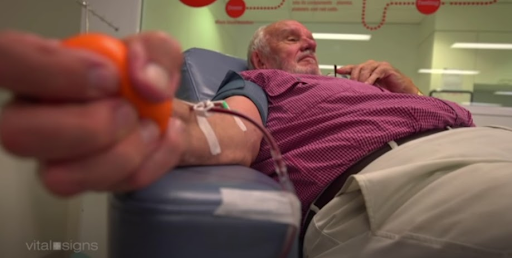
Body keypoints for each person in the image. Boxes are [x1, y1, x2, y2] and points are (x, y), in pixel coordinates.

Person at [0, 20, 511, 258]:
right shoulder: (258, 82)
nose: (309, 43)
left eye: (311, 40)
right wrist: (150, 115)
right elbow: (233, 132)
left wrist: (409, 90)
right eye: (293, 39)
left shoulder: (357, 87)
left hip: (486, 144)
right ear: (262, 59)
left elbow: (458, 121)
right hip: (402, 183)